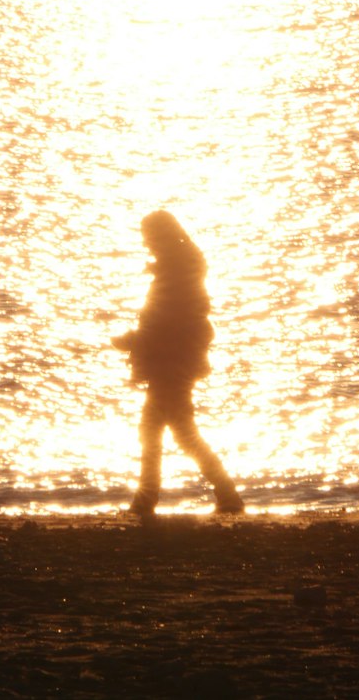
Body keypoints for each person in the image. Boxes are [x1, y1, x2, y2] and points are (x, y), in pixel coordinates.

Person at [112, 210, 244, 517]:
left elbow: (164, 324)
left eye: (148, 236)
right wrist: (136, 340)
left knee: (175, 433)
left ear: (161, 237)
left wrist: (132, 341)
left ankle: (220, 495)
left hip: (170, 364)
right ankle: (151, 500)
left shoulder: (175, 275)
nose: (145, 242)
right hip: (176, 362)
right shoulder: (180, 270)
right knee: (162, 430)